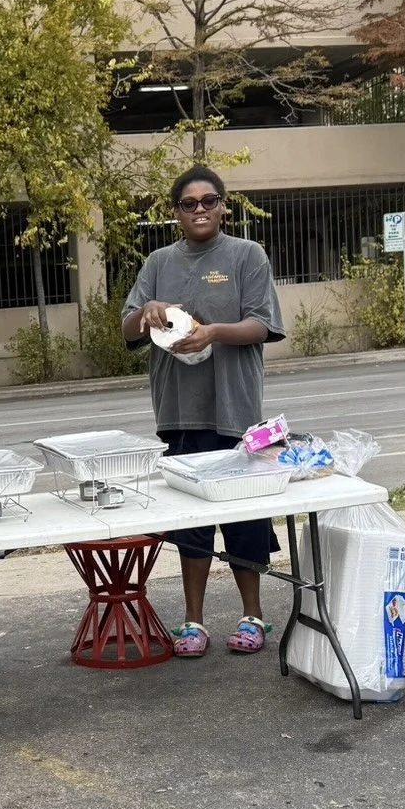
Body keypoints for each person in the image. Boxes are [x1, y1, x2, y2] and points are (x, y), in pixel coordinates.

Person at [121, 164, 286, 658]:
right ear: (175, 213)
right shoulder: (157, 263)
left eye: (208, 201)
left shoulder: (246, 256)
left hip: (234, 414)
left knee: (244, 524)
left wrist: (213, 331)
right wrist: (146, 311)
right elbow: (129, 330)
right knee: (191, 529)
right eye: (188, 203)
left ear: (223, 205)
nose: (199, 210)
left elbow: (262, 325)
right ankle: (193, 622)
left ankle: (252, 616)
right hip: (179, 414)